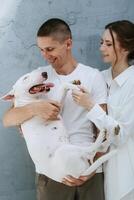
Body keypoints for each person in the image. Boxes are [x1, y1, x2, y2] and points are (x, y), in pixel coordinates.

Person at [3, 18, 107, 200]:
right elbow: (8, 119)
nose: (45, 55)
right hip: (51, 173)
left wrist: (92, 168)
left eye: (50, 49)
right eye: (41, 50)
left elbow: (103, 126)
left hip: (89, 171)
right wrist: (34, 109)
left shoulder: (93, 76)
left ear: (68, 43)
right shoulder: (38, 78)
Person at [72, 20, 134, 200]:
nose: (101, 48)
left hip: (125, 170)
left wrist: (90, 106)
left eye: (108, 44)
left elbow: (120, 134)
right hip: (98, 169)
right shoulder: (99, 77)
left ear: (126, 48)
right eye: (102, 42)